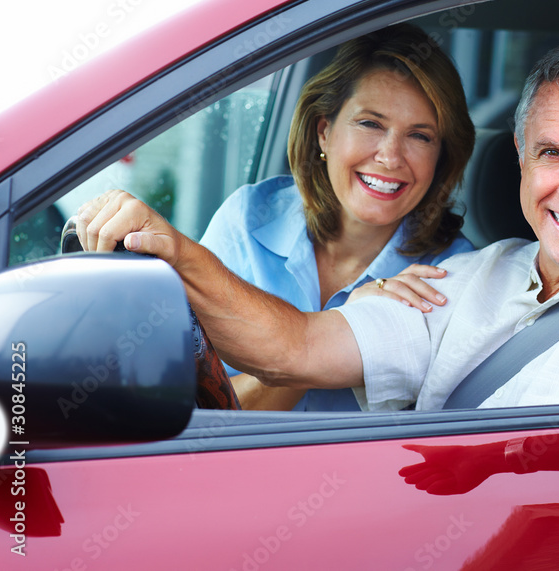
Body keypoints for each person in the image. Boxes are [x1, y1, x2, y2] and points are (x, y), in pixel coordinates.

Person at [77, 36, 559, 414]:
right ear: (518, 160)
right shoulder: (468, 275)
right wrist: (170, 248)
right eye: (551, 152)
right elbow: (293, 345)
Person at [97, 24, 477, 411]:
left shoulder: (456, 277)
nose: (391, 156)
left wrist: (320, 342)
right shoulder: (248, 219)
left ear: (441, 156)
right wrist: (342, 326)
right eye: (370, 123)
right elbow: (192, 413)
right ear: (324, 132)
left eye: (420, 136)